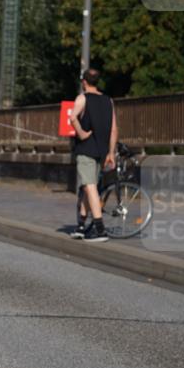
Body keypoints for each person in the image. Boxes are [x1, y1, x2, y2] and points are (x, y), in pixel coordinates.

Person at [69, 68, 117, 243]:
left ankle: (100, 229)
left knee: (90, 187)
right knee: (88, 189)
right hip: (102, 151)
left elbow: (73, 117)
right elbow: (113, 129)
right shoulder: (108, 101)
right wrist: (111, 153)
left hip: (86, 149)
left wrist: (81, 133)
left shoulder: (82, 98)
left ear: (84, 81)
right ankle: (81, 226)